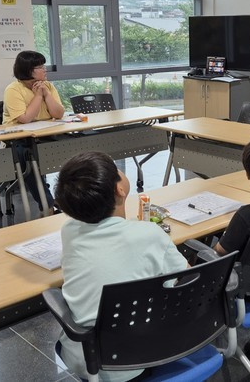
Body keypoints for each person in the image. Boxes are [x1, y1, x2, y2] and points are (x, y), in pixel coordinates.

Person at [54, 151, 187, 382]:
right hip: (147, 352)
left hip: (89, 358)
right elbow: (186, 275)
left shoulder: (68, 232)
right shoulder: (149, 234)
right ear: (120, 190)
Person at [3, 50, 65, 215]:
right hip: (18, 140)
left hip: (44, 136)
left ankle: (66, 197)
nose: (44, 70)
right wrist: (38, 96)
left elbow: (58, 114)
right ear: (28, 70)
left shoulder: (48, 86)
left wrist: (46, 94)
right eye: (40, 67)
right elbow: (25, 118)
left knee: (72, 145)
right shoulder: (13, 89)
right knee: (28, 159)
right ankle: (47, 204)